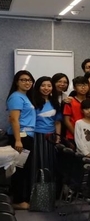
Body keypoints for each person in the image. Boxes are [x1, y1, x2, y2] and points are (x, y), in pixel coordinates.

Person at [6, 71, 36, 209]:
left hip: (27, 136)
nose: (27, 82)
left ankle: (18, 197)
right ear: (17, 82)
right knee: (19, 169)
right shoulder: (16, 97)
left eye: (29, 80)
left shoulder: (25, 96)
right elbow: (14, 119)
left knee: (23, 168)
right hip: (21, 138)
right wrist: (18, 140)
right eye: (23, 80)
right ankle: (18, 200)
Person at [31, 76, 61, 175]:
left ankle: (49, 189)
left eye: (49, 86)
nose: (46, 88)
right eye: (43, 85)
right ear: (38, 87)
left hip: (51, 137)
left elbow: (57, 122)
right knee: (37, 163)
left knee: (50, 163)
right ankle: (36, 189)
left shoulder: (55, 102)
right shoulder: (32, 102)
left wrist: (57, 137)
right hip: (36, 136)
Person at [63, 76, 90, 143]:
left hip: (88, 135)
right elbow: (66, 120)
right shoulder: (69, 102)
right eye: (80, 85)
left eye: (85, 85)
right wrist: (76, 135)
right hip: (72, 136)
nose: (83, 87)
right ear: (75, 88)